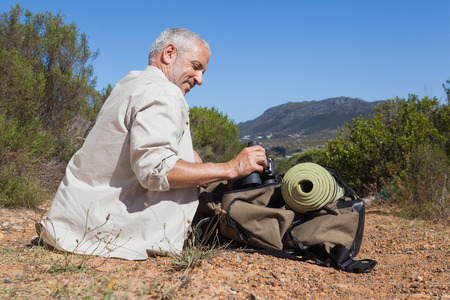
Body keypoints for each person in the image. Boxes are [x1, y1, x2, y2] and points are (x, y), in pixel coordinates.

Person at [36, 28, 267, 260]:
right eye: (196, 67)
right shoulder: (164, 93)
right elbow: (157, 170)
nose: (200, 80)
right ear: (169, 54)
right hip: (109, 234)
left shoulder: (130, 83)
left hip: (74, 221)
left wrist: (189, 157)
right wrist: (231, 168)